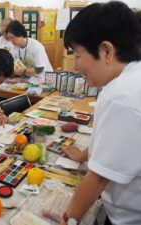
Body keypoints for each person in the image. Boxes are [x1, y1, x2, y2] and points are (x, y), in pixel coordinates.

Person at [58, 2, 141, 225]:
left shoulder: (122, 96)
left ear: (106, 51)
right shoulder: (130, 79)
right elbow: (118, 142)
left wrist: (69, 219)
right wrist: (85, 154)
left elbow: (98, 178)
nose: (75, 66)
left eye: (77, 56)